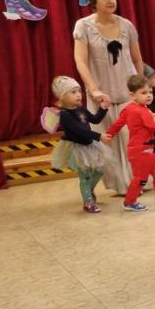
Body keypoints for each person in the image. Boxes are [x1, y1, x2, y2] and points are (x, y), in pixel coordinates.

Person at [73, 0, 144, 195]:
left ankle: (134, 182)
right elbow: (80, 60)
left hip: (127, 93)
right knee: (105, 142)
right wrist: (93, 89)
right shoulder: (83, 26)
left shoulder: (126, 25)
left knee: (131, 138)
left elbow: (137, 59)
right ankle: (116, 185)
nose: (110, 1)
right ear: (94, 1)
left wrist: (140, 87)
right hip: (100, 96)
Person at [102, 75, 155, 212]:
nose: (149, 95)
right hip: (141, 151)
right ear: (133, 95)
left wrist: (109, 134)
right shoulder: (142, 110)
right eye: (144, 93)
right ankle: (129, 202)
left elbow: (118, 123)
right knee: (141, 179)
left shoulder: (132, 108)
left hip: (143, 149)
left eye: (150, 92)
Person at [49, 76, 112, 213]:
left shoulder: (81, 108)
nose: (78, 95)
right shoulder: (64, 115)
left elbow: (95, 120)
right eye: (73, 92)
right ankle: (88, 202)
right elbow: (80, 131)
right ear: (62, 96)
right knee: (85, 176)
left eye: (79, 91)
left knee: (99, 171)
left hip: (90, 145)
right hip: (77, 149)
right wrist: (99, 136)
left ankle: (88, 190)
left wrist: (103, 108)